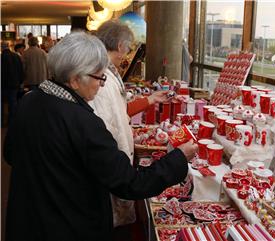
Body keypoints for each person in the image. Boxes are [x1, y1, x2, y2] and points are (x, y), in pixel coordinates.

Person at [4, 31, 198, 241]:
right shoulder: (82, 122)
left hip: (28, 220)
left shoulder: (29, 101)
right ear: (75, 79)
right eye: (99, 77)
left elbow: (10, 154)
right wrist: (178, 157)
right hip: (69, 227)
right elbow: (130, 183)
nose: (101, 84)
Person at [90, 20, 171, 230]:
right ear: (119, 46)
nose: (127, 54)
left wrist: (150, 100)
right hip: (111, 162)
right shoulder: (102, 76)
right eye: (128, 49)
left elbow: (119, 110)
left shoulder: (105, 72)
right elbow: (111, 119)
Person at [1, 42, 24, 127]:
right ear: (8, 47)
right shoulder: (16, 56)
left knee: (1, 104)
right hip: (14, 84)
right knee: (13, 103)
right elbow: (21, 70)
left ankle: (1, 122)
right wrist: (21, 82)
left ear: (1, 48)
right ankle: (12, 122)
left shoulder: (1, 57)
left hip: (2, 85)